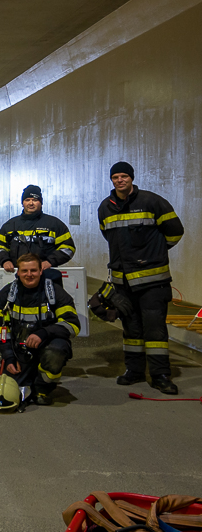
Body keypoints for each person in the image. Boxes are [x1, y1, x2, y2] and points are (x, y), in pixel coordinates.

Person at [98, 162, 183, 395]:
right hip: (123, 282)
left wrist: (156, 252)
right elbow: (109, 237)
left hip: (152, 281)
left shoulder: (152, 201)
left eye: (124, 176)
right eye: (115, 177)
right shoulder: (105, 207)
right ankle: (134, 371)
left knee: (155, 330)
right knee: (131, 329)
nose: (120, 180)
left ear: (132, 178)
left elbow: (176, 231)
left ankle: (160, 375)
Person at [0, 253, 80, 406]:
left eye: (33, 270)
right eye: (24, 271)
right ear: (18, 272)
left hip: (48, 344)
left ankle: (42, 388)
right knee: (10, 392)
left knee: (56, 352)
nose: (29, 274)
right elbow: (0, 330)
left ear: (41, 271)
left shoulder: (56, 293)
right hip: (20, 349)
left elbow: (72, 324)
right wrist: (9, 357)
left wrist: (44, 333)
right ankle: (29, 377)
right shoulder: (6, 295)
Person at [0, 185, 75, 282]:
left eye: (35, 200)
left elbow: (68, 248)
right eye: (27, 200)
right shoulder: (10, 226)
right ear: (22, 203)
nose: (31, 203)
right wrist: (5, 260)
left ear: (41, 203)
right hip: (18, 277)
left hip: (46, 276)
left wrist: (50, 261)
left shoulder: (54, 224)